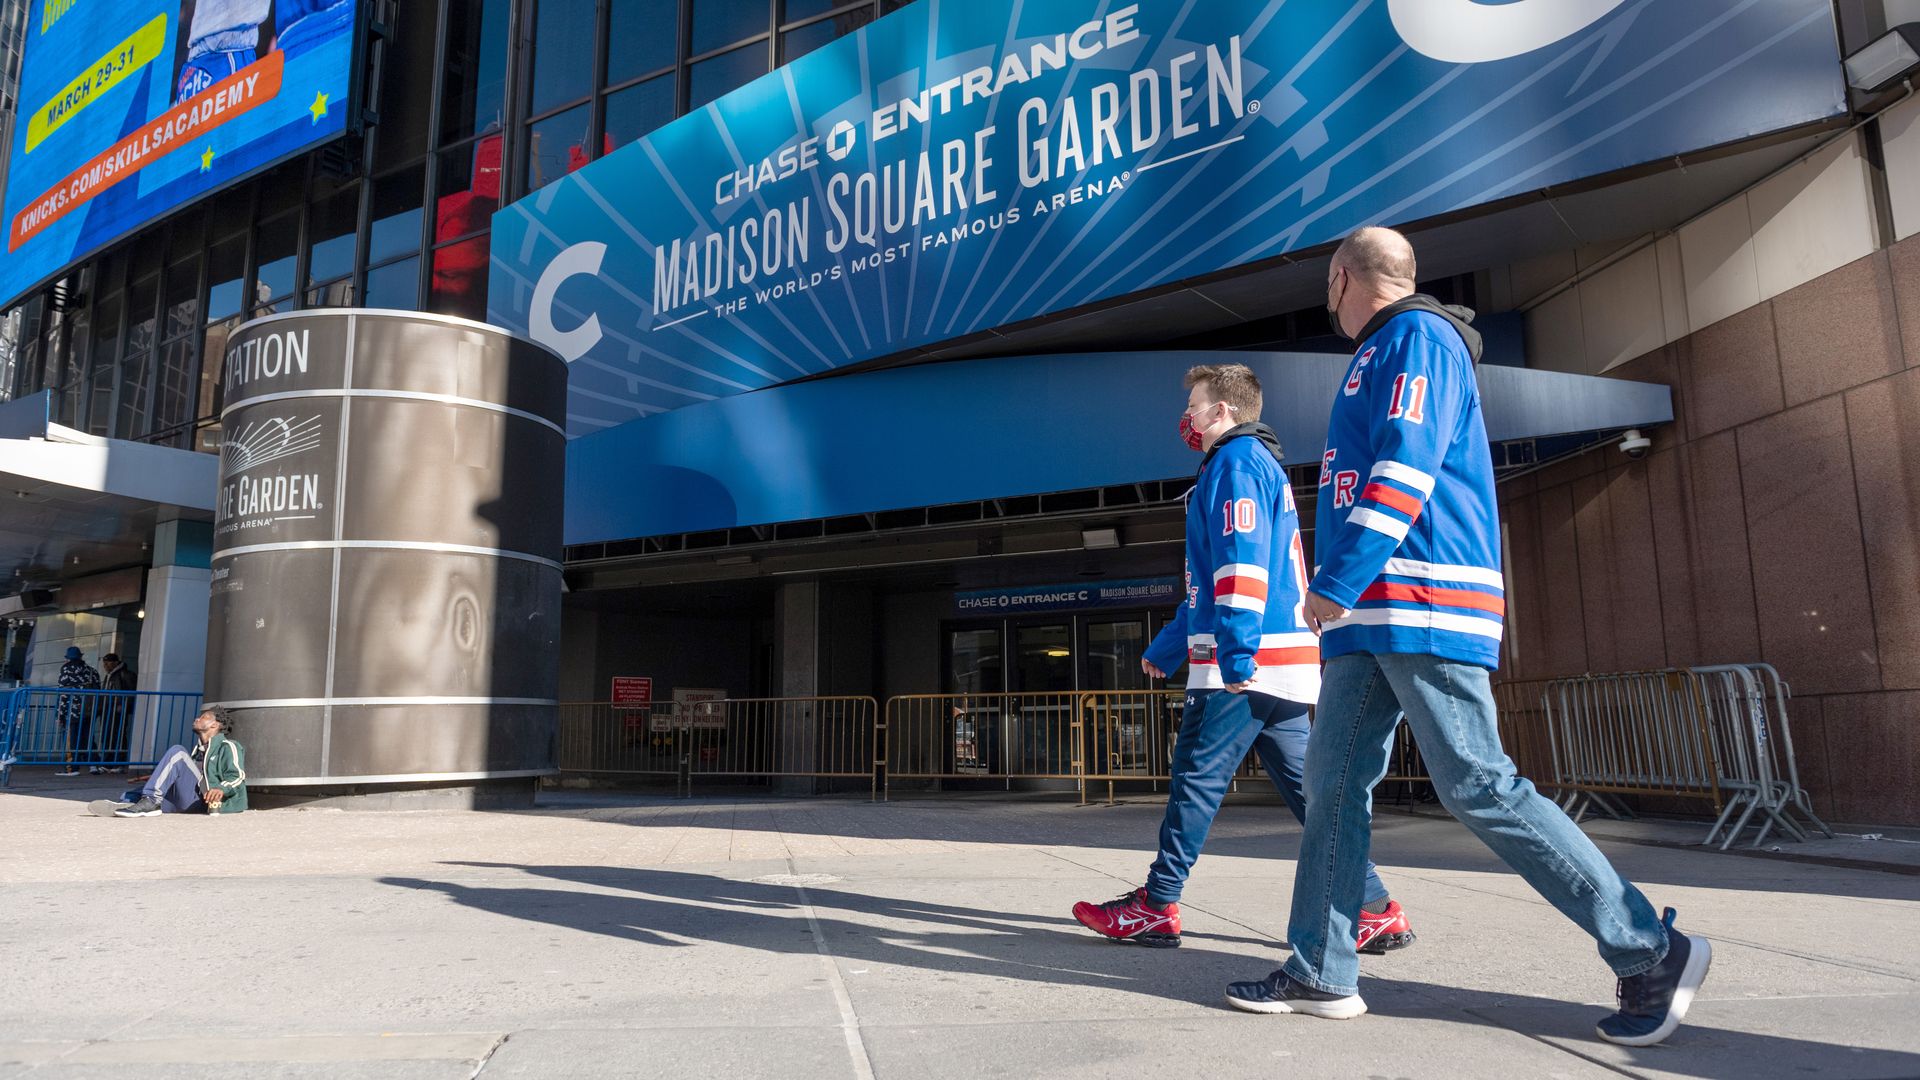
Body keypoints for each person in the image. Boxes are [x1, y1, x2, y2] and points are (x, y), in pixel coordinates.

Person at [1222, 227, 1710, 1048]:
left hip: (1420, 600)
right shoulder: (1384, 350)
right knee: (1333, 793)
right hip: (1371, 617)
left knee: (1480, 785)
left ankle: (1651, 950)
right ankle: (1321, 970)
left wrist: (1335, 581)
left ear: (1342, 277)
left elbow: (1405, 467)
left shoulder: (1417, 338)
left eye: (1328, 286)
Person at [1071, 364, 1414, 953]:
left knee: (1194, 783)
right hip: (1280, 662)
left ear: (1224, 411)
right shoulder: (1251, 465)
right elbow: (1212, 583)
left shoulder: (1234, 463)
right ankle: (1375, 908)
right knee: (1312, 794)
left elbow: (1242, 563)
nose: (1188, 420)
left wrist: (1233, 653)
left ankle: (1156, 905)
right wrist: (1170, 646)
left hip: (1245, 665)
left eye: (1196, 408)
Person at [115, 708, 247, 816]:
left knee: (178, 752)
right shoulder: (198, 750)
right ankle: (126, 804)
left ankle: (151, 801)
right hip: (188, 801)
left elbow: (237, 776)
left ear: (215, 724)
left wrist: (221, 788)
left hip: (207, 801)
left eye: (203, 717)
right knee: (134, 793)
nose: (197, 719)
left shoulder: (228, 746)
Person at [53, 647, 100, 778]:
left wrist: (60, 714)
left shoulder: (66, 670)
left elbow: (63, 694)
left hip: (72, 711)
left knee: (72, 739)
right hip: (89, 710)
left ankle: (72, 767)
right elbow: (99, 691)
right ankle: (94, 764)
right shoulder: (92, 671)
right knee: (88, 737)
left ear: (67, 658)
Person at [98, 654, 136, 775]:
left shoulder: (124, 674)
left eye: (108, 663)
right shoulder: (110, 675)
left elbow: (130, 692)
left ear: (115, 662)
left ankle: (119, 762)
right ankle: (108, 762)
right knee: (107, 735)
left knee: (117, 735)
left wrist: (123, 705)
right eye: (104, 663)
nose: (105, 666)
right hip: (108, 708)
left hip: (117, 709)